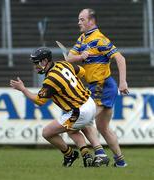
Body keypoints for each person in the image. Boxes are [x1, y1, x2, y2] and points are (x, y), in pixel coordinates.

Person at [10, 47, 100, 167]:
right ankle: (86, 154)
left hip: (79, 110)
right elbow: (82, 72)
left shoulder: (51, 79)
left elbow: (39, 101)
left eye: (36, 63)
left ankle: (69, 154)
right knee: (72, 130)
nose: (35, 66)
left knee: (47, 132)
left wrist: (23, 89)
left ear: (45, 61)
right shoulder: (64, 64)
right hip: (89, 102)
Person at [66, 8, 129, 167]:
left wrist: (123, 82)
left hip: (103, 86)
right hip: (96, 87)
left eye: (82, 19)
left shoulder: (100, 40)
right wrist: (81, 56)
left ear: (91, 21)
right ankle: (120, 162)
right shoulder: (83, 39)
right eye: (79, 19)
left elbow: (120, 58)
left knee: (85, 118)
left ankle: (100, 154)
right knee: (103, 127)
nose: (78, 22)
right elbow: (69, 57)